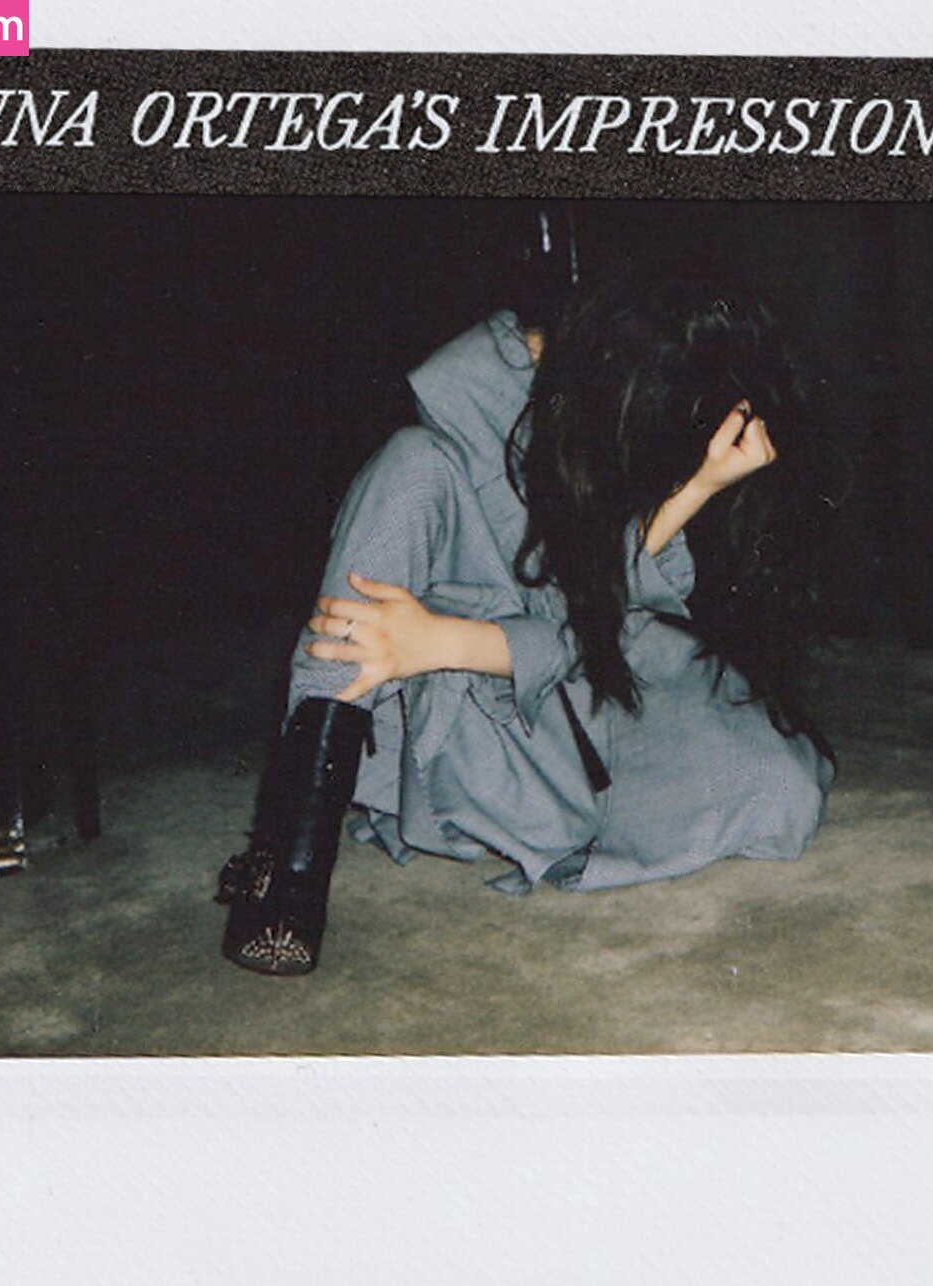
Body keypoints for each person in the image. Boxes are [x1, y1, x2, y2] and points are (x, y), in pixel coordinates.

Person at [217, 272, 837, 975]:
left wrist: (698, 489)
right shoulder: (452, 438)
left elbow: (599, 620)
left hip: (560, 685)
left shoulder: (645, 409)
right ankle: (290, 861)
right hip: (464, 717)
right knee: (407, 465)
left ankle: (549, 810)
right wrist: (437, 642)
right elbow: (544, 608)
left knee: (779, 790)